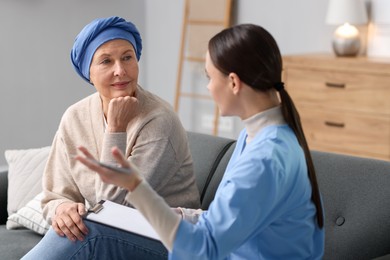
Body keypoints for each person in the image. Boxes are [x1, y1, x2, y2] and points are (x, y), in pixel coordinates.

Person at [76, 23, 325, 259]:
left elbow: (202, 250)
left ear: (234, 82)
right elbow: (223, 223)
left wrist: (136, 186)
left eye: (209, 77)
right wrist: (179, 215)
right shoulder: (259, 137)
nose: (208, 87)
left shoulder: (265, 159)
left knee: (90, 237)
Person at [22, 16, 200, 259]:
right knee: (74, 229)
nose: (120, 70)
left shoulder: (159, 121)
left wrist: (116, 129)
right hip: (112, 231)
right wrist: (62, 210)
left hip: (171, 242)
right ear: (89, 73)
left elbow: (116, 208)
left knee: (89, 229)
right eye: (106, 61)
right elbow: (55, 194)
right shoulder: (75, 117)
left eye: (127, 57)